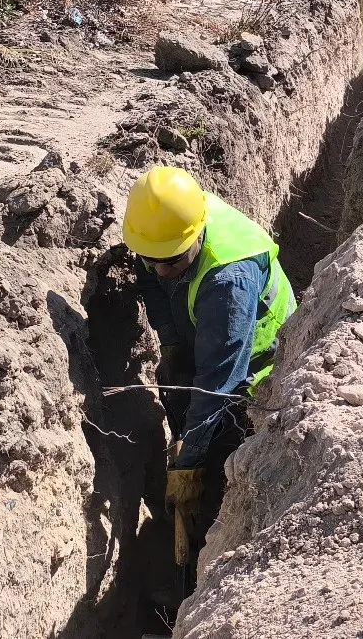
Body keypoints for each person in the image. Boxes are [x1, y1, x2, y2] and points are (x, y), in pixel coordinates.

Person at [121, 166, 295, 594]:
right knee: (185, 399)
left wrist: (189, 465)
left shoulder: (228, 280)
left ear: (196, 235)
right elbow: (153, 279)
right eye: (151, 259)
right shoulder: (163, 232)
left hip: (260, 364)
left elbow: (216, 385)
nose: (160, 271)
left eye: (171, 261)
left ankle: (207, 565)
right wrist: (172, 344)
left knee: (224, 460)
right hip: (208, 334)